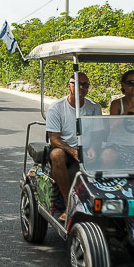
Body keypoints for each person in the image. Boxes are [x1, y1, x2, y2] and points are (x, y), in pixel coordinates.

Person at [46, 72, 101, 218]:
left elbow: (97, 135)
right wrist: (72, 151)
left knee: (111, 154)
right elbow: (54, 139)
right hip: (65, 149)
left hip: (87, 149)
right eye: (77, 84)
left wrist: (93, 149)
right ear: (69, 86)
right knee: (56, 155)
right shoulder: (56, 108)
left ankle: (106, 203)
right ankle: (69, 204)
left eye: (85, 85)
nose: (81, 87)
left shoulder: (94, 108)